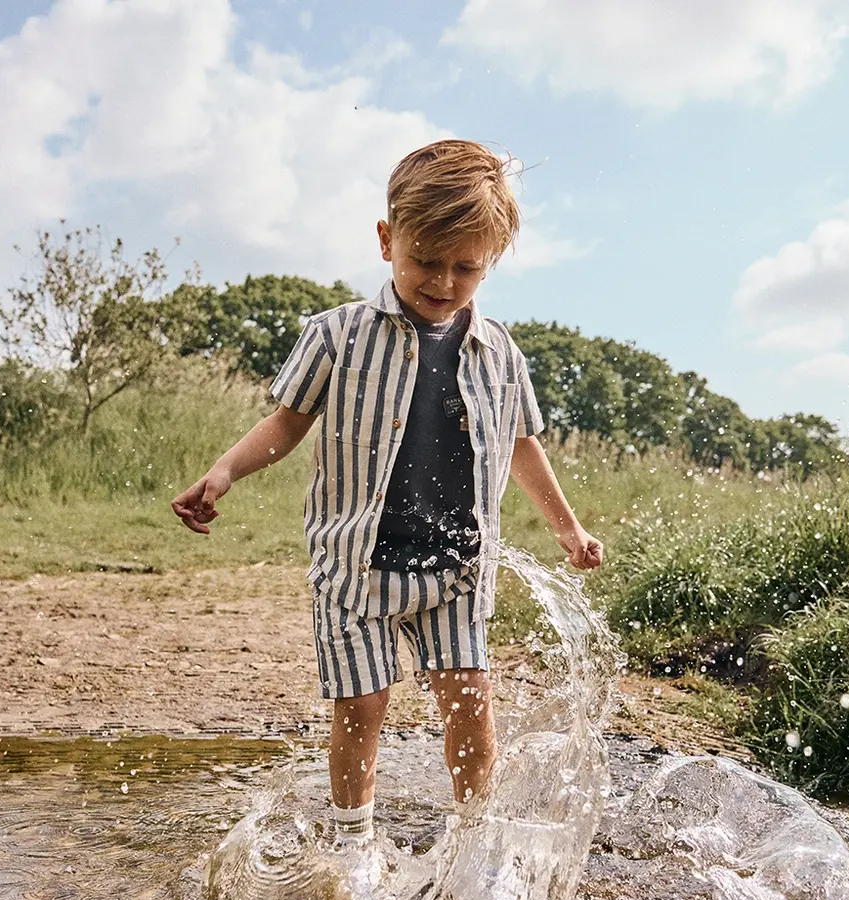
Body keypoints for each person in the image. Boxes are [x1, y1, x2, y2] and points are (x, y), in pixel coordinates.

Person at [172, 139, 602, 849]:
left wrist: (567, 528)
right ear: (386, 240)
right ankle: (351, 844)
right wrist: (224, 472)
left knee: (470, 700)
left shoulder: (500, 353)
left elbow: (523, 444)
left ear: (490, 261)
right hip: (355, 570)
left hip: (459, 569)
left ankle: (472, 839)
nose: (443, 281)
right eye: (426, 260)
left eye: (465, 267)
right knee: (363, 704)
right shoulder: (337, 336)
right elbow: (287, 421)